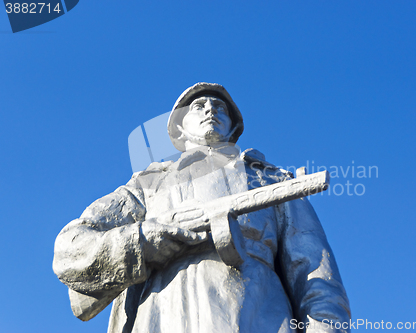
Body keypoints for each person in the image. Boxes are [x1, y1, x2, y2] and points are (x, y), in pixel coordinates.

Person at [53, 83, 351, 333]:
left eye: (220, 107)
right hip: (164, 314)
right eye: (199, 106)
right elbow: (70, 247)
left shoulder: (272, 180)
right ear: (179, 129)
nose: (211, 110)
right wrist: (141, 244)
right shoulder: (148, 184)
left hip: (259, 316)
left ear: (234, 126)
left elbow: (317, 277)